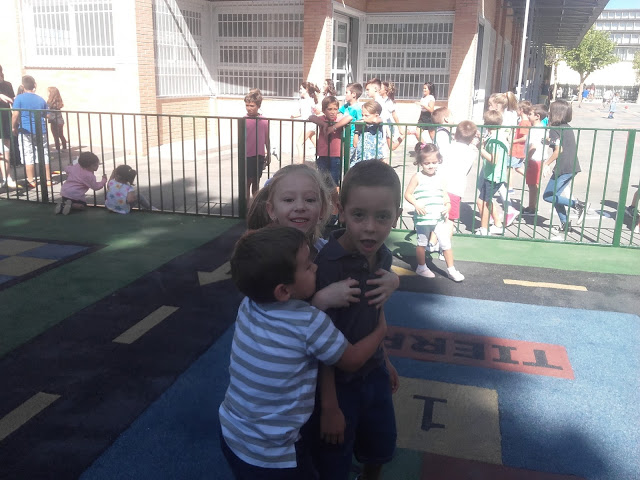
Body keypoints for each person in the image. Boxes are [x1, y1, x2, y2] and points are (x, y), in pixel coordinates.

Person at [219, 226, 388, 480]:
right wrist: (381, 330)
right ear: (283, 291)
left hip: (232, 432)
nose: (316, 268)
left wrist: (317, 299)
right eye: (308, 267)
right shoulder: (308, 322)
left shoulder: (248, 305)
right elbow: (352, 360)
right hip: (275, 454)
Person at [308, 159, 402, 480]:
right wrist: (329, 405)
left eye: (382, 217)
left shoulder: (382, 254)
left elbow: (372, 312)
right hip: (338, 384)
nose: (370, 227)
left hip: (373, 371)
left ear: (397, 215)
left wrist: (384, 359)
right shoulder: (328, 265)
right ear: (341, 210)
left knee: (380, 446)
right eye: (359, 215)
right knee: (334, 458)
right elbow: (320, 341)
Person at [247, 164, 399, 303]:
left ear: (322, 209)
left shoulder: (325, 250)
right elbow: (276, 315)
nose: (300, 207)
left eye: (310, 200)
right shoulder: (264, 258)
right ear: (272, 210)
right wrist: (320, 301)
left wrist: (394, 279)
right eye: (288, 200)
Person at [404, 144, 465, 281]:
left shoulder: (441, 178)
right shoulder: (417, 177)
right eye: (427, 163)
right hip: (423, 218)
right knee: (422, 243)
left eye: (434, 162)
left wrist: (447, 206)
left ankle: (451, 269)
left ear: (439, 161)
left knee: (446, 243)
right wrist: (416, 203)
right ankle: (421, 267)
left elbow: (445, 196)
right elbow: (408, 194)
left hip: (439, 218)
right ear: (420, 163)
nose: (431, 166)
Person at [541, 100, 589, 237]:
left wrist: (546, 164)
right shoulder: (566, 127)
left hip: (564, 167)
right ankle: (565, 224)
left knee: (548, 196)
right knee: (555, 196)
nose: (549, 113)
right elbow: (560, 142)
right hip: (572, 166)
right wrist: (547, 141)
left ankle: (577, 204)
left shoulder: (555, 128)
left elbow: (558, 150)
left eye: (551, 111)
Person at [11, 75, 51, 189]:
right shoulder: (40, 99)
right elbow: (48, 115)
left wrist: (13, 127)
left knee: (28, 154)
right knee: (44, 153)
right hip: (40, 129)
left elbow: (15, 114)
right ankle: (48, 179)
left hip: (25, 130)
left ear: (22, 86)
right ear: (34, 85)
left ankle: (31, 180)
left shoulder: (19, 98)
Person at [476, 110, 509, 236]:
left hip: (494, 176)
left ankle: (484, 229)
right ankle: (497, 224)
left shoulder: (495, 140)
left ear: (486, 124)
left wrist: (480, 149)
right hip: (492, 174)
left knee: (483, 202)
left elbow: (493, 159)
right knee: (486, 201)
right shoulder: (496, 136)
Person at [309, 96, 352, 187]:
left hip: (335, 155)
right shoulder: (322, 119)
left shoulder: (338, 120)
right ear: (324, 110)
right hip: (323, 154)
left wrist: (333, 127)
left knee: (334, 179)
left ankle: (335, 195)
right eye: (329, 109)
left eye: (335, 109)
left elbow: (349, 117)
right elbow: (311, 117)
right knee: (322, 179)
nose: (333, 112)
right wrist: (324, 124)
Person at [443, 120, 479, 230]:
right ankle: (446, 236)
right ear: (472, 139)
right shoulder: (471, 152)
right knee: (450, 218)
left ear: (456, 135)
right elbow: (467, 170)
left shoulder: (447, 147)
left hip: (441, 185)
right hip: (456, 188)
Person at [243, 89, 271, 205]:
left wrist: (268, 153)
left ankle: (254, 206)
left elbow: (266, 138)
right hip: (247, 156)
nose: (249, 108)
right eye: (247, 105)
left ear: (258, 106)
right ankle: (246, 206)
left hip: (259, 156)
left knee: (256, 182)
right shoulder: (243, 120)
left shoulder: (264, 120)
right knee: (247, 182)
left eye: (252, 106)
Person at [523, 104, 551, 215]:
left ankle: (532, 207)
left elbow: (533, 147)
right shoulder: (543, 128)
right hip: (539, 158)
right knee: (534, 184)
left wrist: (527, 159)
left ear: (537, 116)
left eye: (530, 114)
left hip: (534, 159)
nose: (528, 116)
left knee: (532, 185)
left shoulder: (536, 130)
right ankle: (532, 205)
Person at [352, 100, 397, 165]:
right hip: (361, 160)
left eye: (366, 115)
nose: (363, 118)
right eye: (362, 115)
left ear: (376, 115)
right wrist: (357, 130)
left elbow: (378, 120)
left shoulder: (380, 124)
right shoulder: (362, 126)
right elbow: (355, 145)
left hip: (376, 161)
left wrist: (374, 120)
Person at [291, 82, 320, 162]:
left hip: (309, 125)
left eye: (301, 89)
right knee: (317, 144)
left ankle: (301, 163)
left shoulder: (310, 100)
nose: (300, 90)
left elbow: (316, 111)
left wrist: (316, 110)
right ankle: (323, 158)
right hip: (309, 125)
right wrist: (293, 116)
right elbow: (301, 113)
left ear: (306, 90)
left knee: (299, 143)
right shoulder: (303, 101)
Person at [0, 65, 17, 189]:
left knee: (5, 150)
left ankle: (7, 177)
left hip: (5, 120)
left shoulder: (7, 85)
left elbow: (12, 100)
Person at [339, 82, 363, 164]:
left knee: (346, 161)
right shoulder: (346, 106)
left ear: (354, 94)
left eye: (346, 92)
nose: (345, 95)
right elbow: (338, 113)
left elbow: (360, 122)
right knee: (347, 161)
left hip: (351, 139)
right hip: (343, 137)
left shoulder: (357, 108)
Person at [47, 86, 67, 151]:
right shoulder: (59, 101)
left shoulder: (50, 102)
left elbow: (47, 109)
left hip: (54, 121)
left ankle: (57, 149)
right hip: (60, 120)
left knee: (55, 136)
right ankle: (64, 147)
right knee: (61, 135)